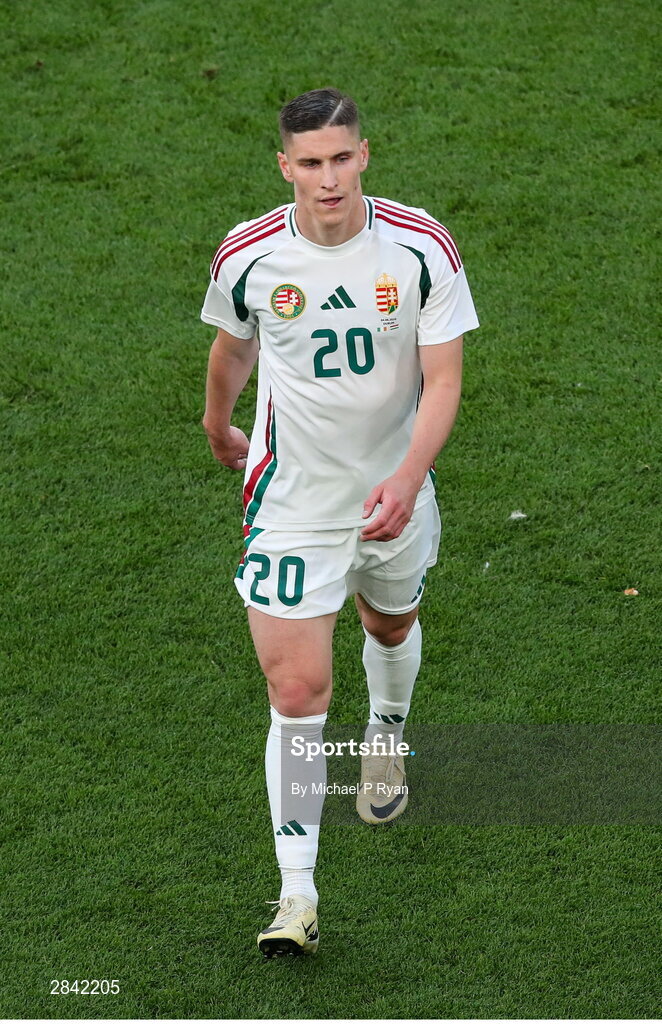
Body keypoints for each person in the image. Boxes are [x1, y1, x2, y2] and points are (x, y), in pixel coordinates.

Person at [201, 88, 479, 958]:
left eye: (341, 158)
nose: (327, 178)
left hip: (393, 492)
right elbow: (236, 343)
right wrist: (217, 422)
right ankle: (296, 896)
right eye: (309, 163)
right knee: (296, 691)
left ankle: (387, 736)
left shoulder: (421, 246)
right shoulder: (248, 255)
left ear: (365, 155)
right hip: (291, 502)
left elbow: (442, 380)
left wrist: (407, 476)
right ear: (285, 166)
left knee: (388, 620)